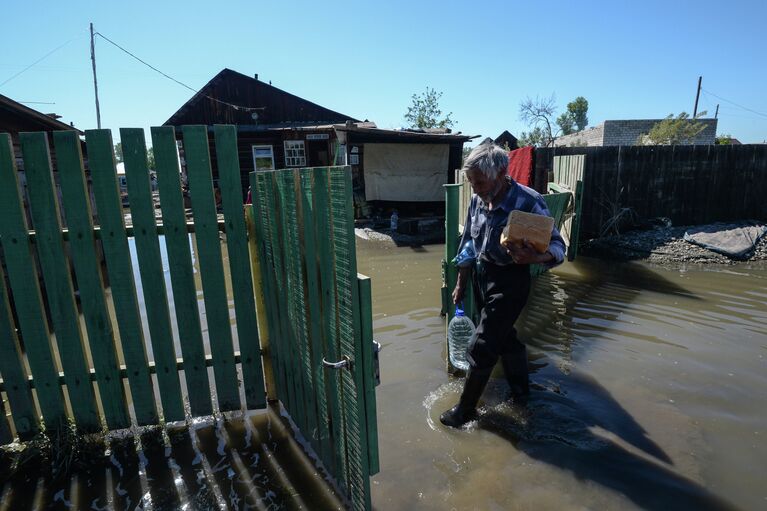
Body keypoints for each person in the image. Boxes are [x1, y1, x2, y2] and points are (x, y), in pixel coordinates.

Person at [440, 140, 566, 428]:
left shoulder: (529, 202)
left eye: (479, 182)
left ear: (499, 173)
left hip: (511, 280)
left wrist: (535, 256)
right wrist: (462, 279)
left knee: (482, 344)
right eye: (471, 182)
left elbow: (559, 249)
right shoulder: (478, 199)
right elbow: (469, 242)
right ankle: (522, 393)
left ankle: (466, 410)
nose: (475, 188)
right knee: (504, 337)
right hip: (484, 275)